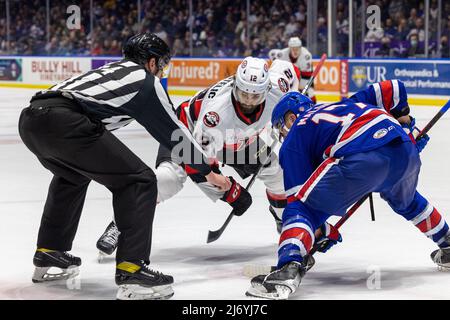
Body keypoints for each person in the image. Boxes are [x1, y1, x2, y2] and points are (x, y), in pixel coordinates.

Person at [18, 33, 229, 300]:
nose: (162, 70)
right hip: (66, 123)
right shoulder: (145, 82)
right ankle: (132, 269)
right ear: (151, 63)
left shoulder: (110, 70)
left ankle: (50, 250)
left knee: (71, 175)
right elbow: (174, 134)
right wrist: (207, 171)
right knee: (140, 181)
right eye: (161, 64)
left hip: (31, 120)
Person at [246, 91, 450, 300]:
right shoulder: (344, 105)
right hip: (405, 150)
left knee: (301, 208)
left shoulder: (296, 134)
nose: (282, 136)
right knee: (408, 202)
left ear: (290, 118)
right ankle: (448, 242)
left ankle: (288, 269)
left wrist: (321, 230)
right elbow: (394, 88)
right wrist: (407, 128)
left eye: (281, 128)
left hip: (362, 156)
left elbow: (300, 201)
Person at [96, 57, 303, 257]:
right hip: (186, 134)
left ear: (266, 89)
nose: (248, 102)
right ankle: (120, 224)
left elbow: (287, 69)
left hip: (236, 138)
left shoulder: (277, 89)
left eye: (254, 96)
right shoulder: (216, 114)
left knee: (279, 175)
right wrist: (230, 190)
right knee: (167, 179)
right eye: (243, 94)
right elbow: (198, 164)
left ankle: (283, 220)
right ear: (234, 85)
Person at [275, 37, 316, 102]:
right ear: (289, 48)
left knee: (310, 92)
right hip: (286, 77)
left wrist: (297, 87)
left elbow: (307, 76)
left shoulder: (306, 56)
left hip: (303, 77)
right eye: (293, 49)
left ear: (300, 48)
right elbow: (276, 71)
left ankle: (313, 107)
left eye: (297, 48)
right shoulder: (281, 55)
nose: (295, 51)